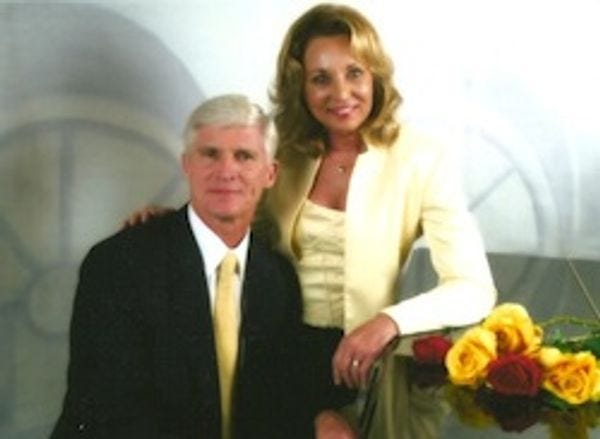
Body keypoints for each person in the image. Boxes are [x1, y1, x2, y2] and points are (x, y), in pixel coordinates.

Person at [126, 4, 497, 437]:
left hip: (367, 364)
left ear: (375, 75)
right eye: (321, 78)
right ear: (299, 86)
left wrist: (387, 322)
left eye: (354, 73)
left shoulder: (421, 158)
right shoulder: (281, 151)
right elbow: (234, 223)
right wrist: (178, 222)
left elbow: (473, 288)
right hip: (276, 357)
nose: (341, 93)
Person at [51, 94, 309, 439]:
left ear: (270, 173)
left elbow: (279, 403)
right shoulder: (119, 265)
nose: (226, 171)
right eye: (210, 154)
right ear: (187, 164)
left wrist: (322, 416)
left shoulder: (277, 278)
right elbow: (110, 414)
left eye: (244, 156)